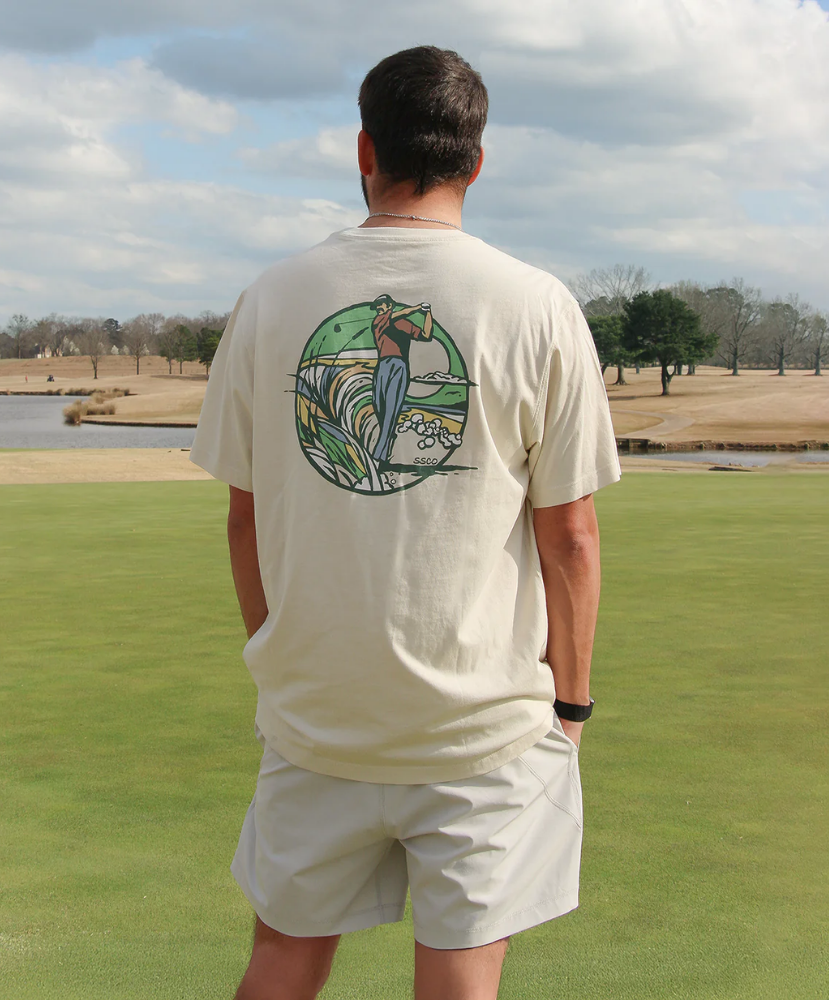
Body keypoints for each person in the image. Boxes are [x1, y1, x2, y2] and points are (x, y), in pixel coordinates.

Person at [190, 45, 620, 1000]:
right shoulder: (537, 304)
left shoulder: (270, 297)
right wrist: (572, 705)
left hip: (317, 720)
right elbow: (570, 536)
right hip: (482, 730)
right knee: (461, 981)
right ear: (476, 161)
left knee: (281, 959)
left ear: (363, 149)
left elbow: (244, 520)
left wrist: (278, 657)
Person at [369, 293, 433, 465]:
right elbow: (397, 315)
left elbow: (426, 335)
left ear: (390, 305)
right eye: (377, 306)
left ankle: (378, 457)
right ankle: (389, 436)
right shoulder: (379, 321)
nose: (378, 308)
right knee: (378, 405)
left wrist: (427, 313)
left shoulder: (404, 324)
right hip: (382, 366)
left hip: (399, 366)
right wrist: (417, 308)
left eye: (381, 304)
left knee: (391, 410)